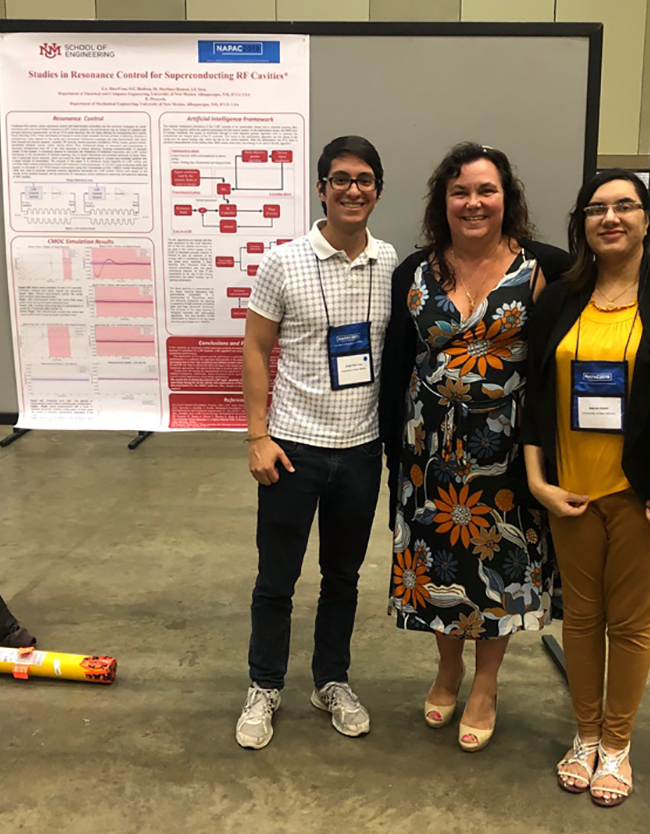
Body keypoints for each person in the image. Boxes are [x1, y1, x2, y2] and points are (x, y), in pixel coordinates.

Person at [522, 170, 650, 806]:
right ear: (581, 223)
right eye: (596, 209)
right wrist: (537, 480)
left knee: (630, 623)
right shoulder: (558, 298)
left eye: (624, 207)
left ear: (645, 218)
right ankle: (585, 737)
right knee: (581, 621)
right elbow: (534, 399)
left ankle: (617, 745)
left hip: (647, 496)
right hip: (571, 493)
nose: (610, 218)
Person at [380, 143, 570, 753]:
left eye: (486, 191)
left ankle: (486, 682)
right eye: (460, 191)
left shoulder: (547, 267)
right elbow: (394, 362)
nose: (473, 203)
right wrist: (393, 451)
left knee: (499, 569)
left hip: (509, 452)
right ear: (443, 200)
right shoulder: (414, 270)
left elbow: (625, 283)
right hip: (427, 449)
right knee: (440, 566)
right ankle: (448, 668)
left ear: (506, 199)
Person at [236, 136, 400, 750]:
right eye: (340, 179)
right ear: (321, 188)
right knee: (275, 580)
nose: (352, 189)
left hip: (362, 450)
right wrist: (257, 436)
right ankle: (264, 686)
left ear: (378, 190)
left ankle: (331, 680)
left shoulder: (392, 264)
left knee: (343, 578)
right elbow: (255, 348)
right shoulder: (283, 261)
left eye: (364, 179)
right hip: (293, 449)